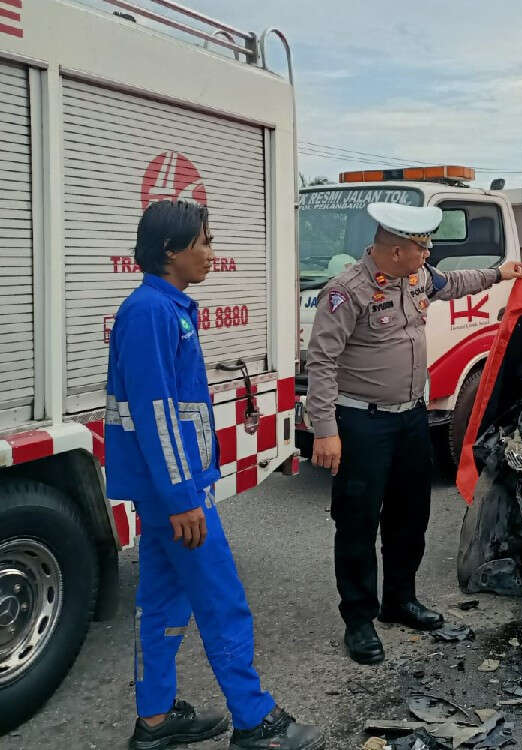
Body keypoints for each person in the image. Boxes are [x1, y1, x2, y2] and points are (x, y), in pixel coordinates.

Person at [106, 200, 323, 750]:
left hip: (170, 491)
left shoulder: (166, 307)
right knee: (221, 599)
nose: (210, 252)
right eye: (203, 241)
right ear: (169, 251)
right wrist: (183, 498)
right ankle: (254, 719)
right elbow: (157, 415)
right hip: (174, 495)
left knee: (162, 601)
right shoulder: (151, 312)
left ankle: (154, 720)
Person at [305, 202, 522, 665]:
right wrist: (325, 430)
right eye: (422, 246)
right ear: (396, 249)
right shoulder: (348, 292)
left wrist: (500, 273)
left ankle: (399, 601)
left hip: (411, 418)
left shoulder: (418, 276)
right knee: (358, 523)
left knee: (410, 516)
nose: (429, 254)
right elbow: (321, 362)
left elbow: (455, 284)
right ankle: (360, 620)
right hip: (361, 422)